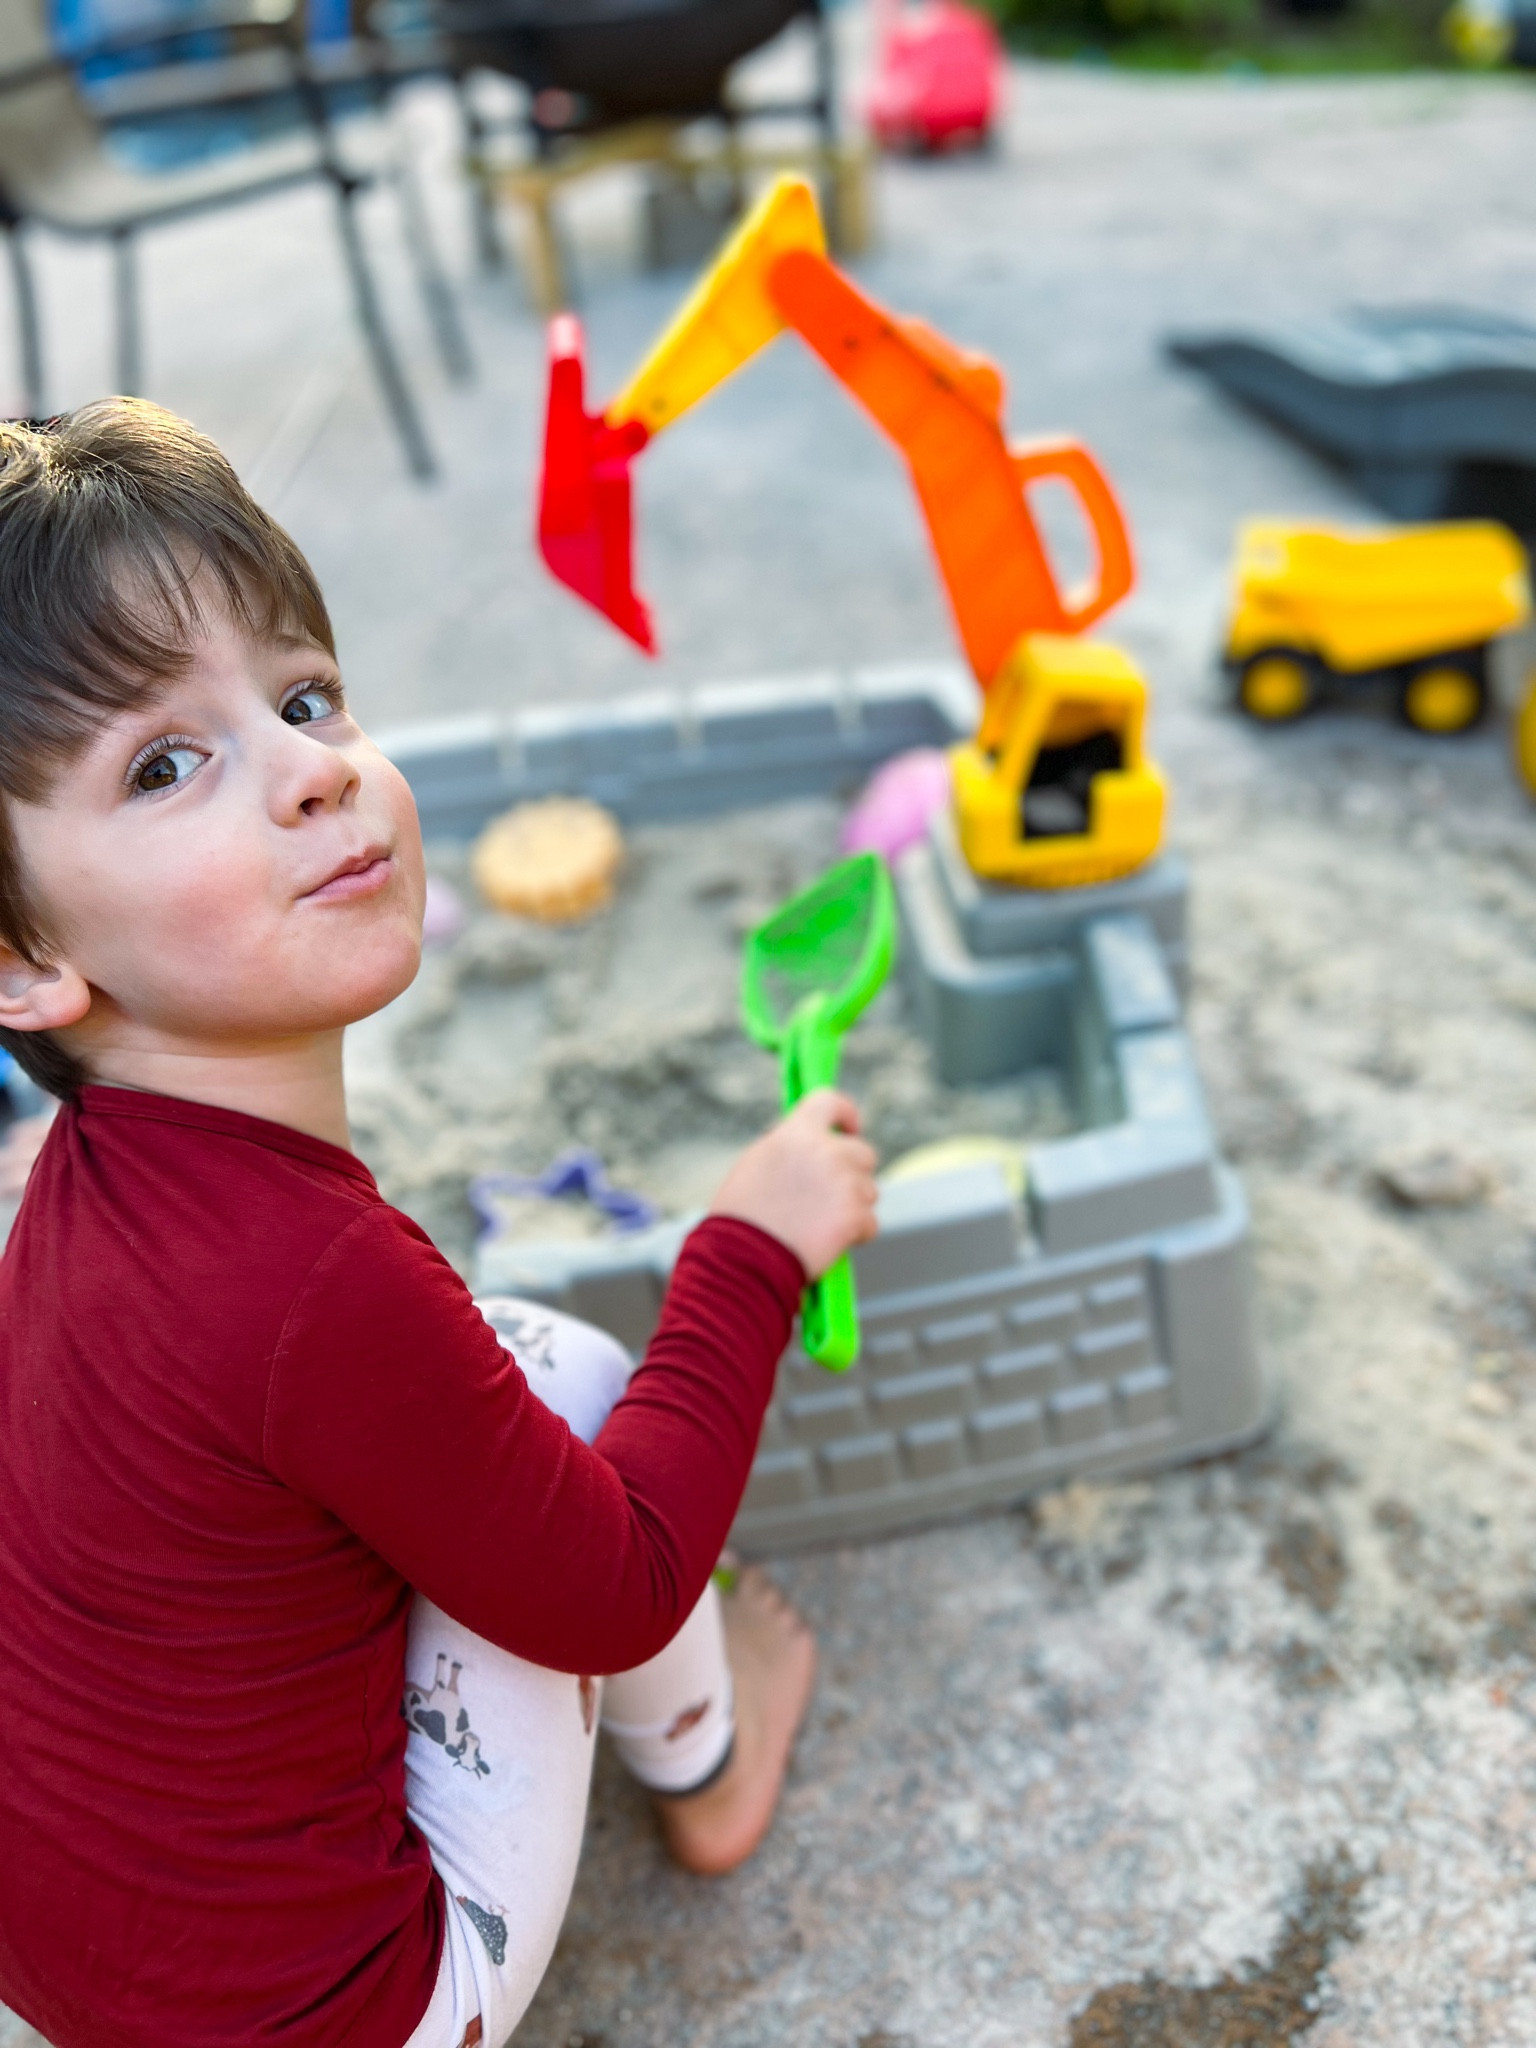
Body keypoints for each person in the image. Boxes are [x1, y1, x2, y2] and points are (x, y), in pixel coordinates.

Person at [0, 400, 879, 2048]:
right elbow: (616, 1586)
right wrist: (749, 1256)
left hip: (86, 1984)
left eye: (303, 697)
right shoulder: (313, 1282)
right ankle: (717, 1760)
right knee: (580, 1391)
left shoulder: (73, 1193)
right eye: (166, 764)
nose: (316, 772)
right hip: (342, 2012)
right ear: (22, 961)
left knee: (489, 1393)